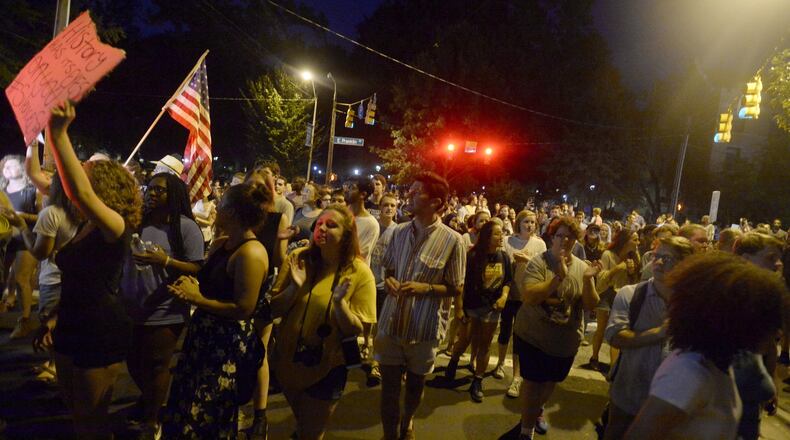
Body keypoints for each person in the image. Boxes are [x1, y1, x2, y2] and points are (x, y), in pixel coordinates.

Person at [44, 101, 143, 438]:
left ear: (103, 188)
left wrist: (58, 134)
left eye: (85, 174)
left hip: (99, 330)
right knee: (75, 412)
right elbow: (77, 280)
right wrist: (53, 317)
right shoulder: (86, 226)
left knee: (92, 423)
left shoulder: (115, 226)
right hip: (71, 324)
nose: (71, 183)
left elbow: (79, 192)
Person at [624, 252, 787, 440]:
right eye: (768, 321)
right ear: (739, 320)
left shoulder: (718, 362)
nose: (778, 333)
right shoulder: (689, 373)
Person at [162, 183, 268, 438]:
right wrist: (190, 286)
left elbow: (244, 308)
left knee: (207, 415)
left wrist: (197, 299)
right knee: (185, 407)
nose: (216, 206)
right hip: (203, 339)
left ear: (231, 211)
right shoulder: (222, 243)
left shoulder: (251, 253)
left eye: (221, 203)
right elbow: (210, 280)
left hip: (224, 346)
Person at [270, 205, 376, 440]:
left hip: (328, 366)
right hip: (287, 360)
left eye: (331, 225)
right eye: (319, 224)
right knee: (304, 424)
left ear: (347, 235)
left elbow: (357, 328)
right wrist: (294, 288)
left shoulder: (359, 272)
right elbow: (272, 309)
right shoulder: (298, 258)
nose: (322, 229)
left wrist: (340, 305)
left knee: (310, 432)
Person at [375, 172, 465, 440]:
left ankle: (408, 422)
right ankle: (391, 434)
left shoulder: (453, 240)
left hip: (424, 328)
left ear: (436, 202)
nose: (409, 196)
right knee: (389, 388)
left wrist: (425, 288)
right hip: (391, 322)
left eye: (417, 193)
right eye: (410, 190)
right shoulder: (399, 232)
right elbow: (388, 266)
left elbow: (456, 286)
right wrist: (389, 280)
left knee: (415, 386)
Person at [502, 216, 601, 440]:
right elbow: (529, 296)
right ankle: (526, 431)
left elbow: (591, 305)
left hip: (564, 343)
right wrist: (557, 278)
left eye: (570, 237)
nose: (564, 241)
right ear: (552, 237)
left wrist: (587, 281)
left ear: (576, 241)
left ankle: (536, 411)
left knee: (549, 384)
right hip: (533, 337)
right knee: (532, 383)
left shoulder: (583, 267)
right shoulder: (539, 262)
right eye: (560, 236)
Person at [121, 173, 204, 439]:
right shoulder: (137, 222)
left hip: (166, 308)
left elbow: (197, 266)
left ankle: (152, 421)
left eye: (161, 190)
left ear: (175, 195)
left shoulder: (185, 228)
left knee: (157, 364)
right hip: (132, 305)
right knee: (133, 360)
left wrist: (165, 261)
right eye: (151, 189)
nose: (152, 193)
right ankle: (150, 400)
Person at [602, 236, 694, 439]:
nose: (659, 262)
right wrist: (659, 333)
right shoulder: (630, 294)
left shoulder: (695, 305)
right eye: (656, 256)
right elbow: (615, 336)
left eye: (667, 259)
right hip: (629, 393)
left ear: (685, 264)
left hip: (672, 401)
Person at [445, 220, 512, 402]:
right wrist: (460, 308)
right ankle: (453, 363)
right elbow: (461, 283)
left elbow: (507, 281)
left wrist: (504, 297)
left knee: (485, 344)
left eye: (502, 233)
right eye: (497, 234)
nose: (501, 237)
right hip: (472, 307)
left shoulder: (504, 257)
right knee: (464, 339)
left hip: (492, 309)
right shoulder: (473, 256)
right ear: (487, 237)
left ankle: (478, 380)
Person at [495, 210, 546, 398]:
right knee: (504, 330)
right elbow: (502, 265)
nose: (530, 225)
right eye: (526, 221)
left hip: (527, 297)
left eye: (533, 222)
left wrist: (528, 260)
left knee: (520, 335)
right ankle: (500, 363)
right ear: (519, 223)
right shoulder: (509, 241)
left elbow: (544, 267)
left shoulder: (540, 244)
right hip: (510, 293)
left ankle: (516, 376)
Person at [0, 154, 40, 338]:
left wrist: (21, 216)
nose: (6, 169)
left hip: (26, 238)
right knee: (3, 276)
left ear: (22, 168)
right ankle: (5, 303)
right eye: (4, 166)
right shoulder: (2, 190)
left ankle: (25, 319)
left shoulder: (32, 191)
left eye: (11, 166)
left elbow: (42, 216)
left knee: (22, 278)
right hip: (6, 240)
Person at [590, 230, 641, 371]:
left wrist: (631, 272)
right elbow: (600, 278)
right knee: (601, 327)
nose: (638, 243)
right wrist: (617, 269)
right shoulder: (608, 254)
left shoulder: (635, 257)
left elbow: (636, 281)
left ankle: (614, 364)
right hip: (606, 293)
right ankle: (594, 357)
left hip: (621, 295)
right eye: (635, 239)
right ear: (625, 241)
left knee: (618, 328)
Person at [346, 178, 380, 265]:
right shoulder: (341, 214)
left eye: (352, 188)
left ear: (363, 194)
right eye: (348, 187)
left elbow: (360, 256)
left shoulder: (371, 224)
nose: (347, 190)